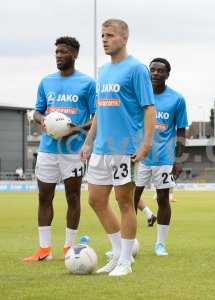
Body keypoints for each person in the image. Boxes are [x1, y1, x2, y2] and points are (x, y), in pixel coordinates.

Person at [80, 19, 155, 276]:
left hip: (126, 148)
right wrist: (88, 142)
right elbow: (100, 111)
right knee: (95, 200)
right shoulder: (103, 71)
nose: (104, 39)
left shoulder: (137, 69)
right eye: (102, 35)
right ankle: (117, 254)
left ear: (124, 38)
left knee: (125, 202)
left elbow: (149, 108)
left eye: (109, 35)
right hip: (101, 148)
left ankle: (125, 261)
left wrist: (145, 144)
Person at [23, 36, 96, 262]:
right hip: (47, 150)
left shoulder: (88, 83)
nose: (59, 56)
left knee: (73, 197)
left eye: (63, 52)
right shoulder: (46, 81)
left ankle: (68, 247)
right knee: (44, 197)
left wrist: (73, 130)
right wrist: (43, 121)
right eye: (56, 52)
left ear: (74, 54)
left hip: (73, 151)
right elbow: (36, 111)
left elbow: (96, 117)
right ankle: (44, 249)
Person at [134, 58, 188, 256]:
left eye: (160, 71)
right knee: (131, 199)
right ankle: (128, 242)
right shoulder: (139, 95)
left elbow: (181, 131)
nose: (155, 73)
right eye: (152, 70)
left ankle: (160, 244)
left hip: (164, 159)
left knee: (163, 199)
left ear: (167, 74)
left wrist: (179, 159)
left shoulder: (177, 99)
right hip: (139, 157)